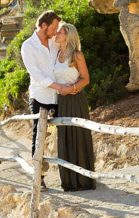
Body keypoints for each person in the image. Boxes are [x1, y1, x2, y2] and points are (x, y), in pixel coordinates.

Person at [20, 10, 68, 190]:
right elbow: (37, 75)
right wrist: (60, 87)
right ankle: (38, 178)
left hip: (59, 95)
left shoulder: (54, 42)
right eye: (54, 28)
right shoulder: (28, 46)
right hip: (40, 96)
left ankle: (72, 175)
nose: (56, 32)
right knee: (39, 136)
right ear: (44, 26)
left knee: (67, 131)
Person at [52, 22, 96, 191]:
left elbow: (85, 78)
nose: (56, 33)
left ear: (68, 35)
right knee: (65, 137)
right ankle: (69, 181)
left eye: (60, 32)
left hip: (75, 99)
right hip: (61, 102)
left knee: (78, 136)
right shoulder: (56, 54)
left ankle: (83, 181)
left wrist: (71, 89)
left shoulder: (76, 55)